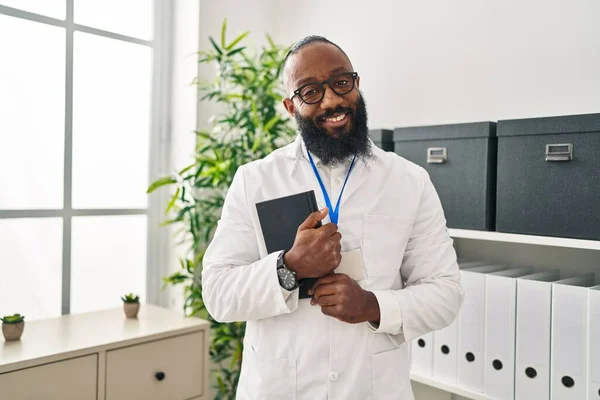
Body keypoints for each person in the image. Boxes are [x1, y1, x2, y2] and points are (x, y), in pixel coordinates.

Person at [202, 35, 464, 400]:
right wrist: (289, 267)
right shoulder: (256, 180)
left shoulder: (409, 181)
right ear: (290, 107)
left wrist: (374, 305)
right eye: (310, 91)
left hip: (373, 388)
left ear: (356, 85)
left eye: (341, 82)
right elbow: (218, 293)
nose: (332, 100)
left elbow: (445, 293)